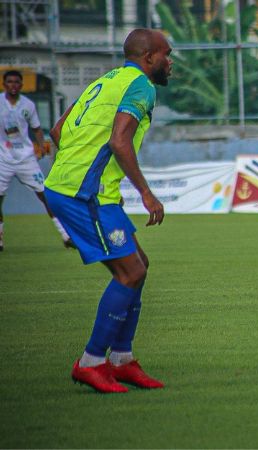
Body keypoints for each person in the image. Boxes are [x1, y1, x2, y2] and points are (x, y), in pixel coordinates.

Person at [44, 29, 172, 393]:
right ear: (149, 58)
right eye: (166, 54)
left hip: (75, 188)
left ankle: (121, 360)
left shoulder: (104, 81)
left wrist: (77, 163)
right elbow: (119, 141)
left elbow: (58, 130)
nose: (170, 61)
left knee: (139, 266)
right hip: (83, 194)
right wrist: (147, 194)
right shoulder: (142, 86)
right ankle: (91, 361)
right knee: (129, 272)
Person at [0, 70, 74, 251]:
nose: (13, 85)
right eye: (9, 82)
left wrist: (43, 147)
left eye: (17, 82)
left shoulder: (28, 105)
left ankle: (66, 235)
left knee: (46, 196)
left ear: (21, 85)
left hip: (26, 158)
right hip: (3, 158)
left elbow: (37, 129)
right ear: (4, 84)